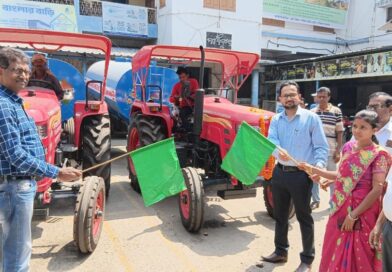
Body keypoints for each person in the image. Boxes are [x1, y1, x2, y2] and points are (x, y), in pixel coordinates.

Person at [0, 48, 81, 272]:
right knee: (17, 254)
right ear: (1, 71)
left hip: (21, 181)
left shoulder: (21, 96)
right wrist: (55, 171)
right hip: (16, 184)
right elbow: (14, 153)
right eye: (18, 70)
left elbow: (62, 93)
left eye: (28, 69)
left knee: (15, 248)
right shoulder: (4, 105)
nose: (26, 74)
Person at [300, 110, 391, 272]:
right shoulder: (348, 147)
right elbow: (343, 175)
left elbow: (377, 189)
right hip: (340, 207)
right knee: (333, 248)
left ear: (374, 130)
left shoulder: (379, 155)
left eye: (363, 127)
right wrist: (317, 171)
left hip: (363, 212)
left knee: (361, 255)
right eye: (355, 126)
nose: (357, 130)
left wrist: (353, 215)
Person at [262, 81, 328, 272]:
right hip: (280, 173)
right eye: (285, 95)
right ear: (280, 99)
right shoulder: (276, 120)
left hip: (301, 176)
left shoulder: (311, 119)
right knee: (280, 215)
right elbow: (271, 141)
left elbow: (320, 147)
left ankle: (307, 259)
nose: (289, 98)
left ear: (299, 97)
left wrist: (319, 168)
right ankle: (280, 251)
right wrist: (276, 151)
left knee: (304, 217)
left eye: (293, 94)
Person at [310, 87, 344, 209]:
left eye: (324, 96)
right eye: (319, 96)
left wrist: (338, 151)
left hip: (331, 150)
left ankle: (333, 203)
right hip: (316, 151)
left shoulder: (336, 111)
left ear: (329, 97)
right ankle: (315, 200)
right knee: (314, 176)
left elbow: (340, 132)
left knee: (333, 177)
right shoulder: (312, 113)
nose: (321, 99)